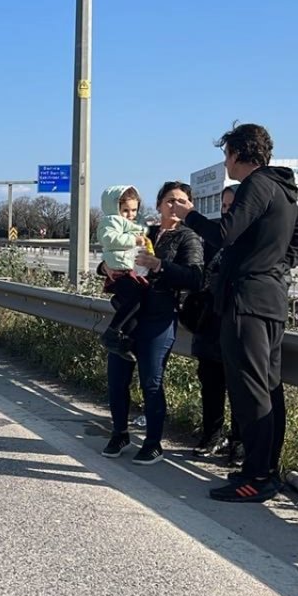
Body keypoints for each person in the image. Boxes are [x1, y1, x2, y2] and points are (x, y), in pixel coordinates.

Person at [175, 122, 298, 503]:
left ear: (238, 153)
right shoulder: (284, 191)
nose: (225, 163)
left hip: (246, 302)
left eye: (226, 155)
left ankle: (257, 477)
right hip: (271, 302)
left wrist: (189, 216)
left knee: (250, 391)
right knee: (268, 387)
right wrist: (275, 266)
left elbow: (224, 233)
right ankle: (265, 468)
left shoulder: (256, 184)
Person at [100, 182, 204, 465]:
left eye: (181, 201)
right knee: (116, 378)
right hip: (129, 316)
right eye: (169, 200)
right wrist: (103, 267)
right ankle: (119, 432)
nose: (174, 206)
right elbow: (113, 253)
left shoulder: (188, 238)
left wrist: (160, 266)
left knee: (151, 381)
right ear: (158, 204)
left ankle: (153, 442)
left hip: (159, 318)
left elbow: (195, 277)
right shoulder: (142, 230)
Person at [190, 185, 240, 461]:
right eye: (224, 206)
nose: (227, 211)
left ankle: (239, 440)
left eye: (232, 206)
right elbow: (199, 272)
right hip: (211, 320)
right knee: (210, 381)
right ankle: (212, 435)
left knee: (239, 386)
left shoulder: (251, 237)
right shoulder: (213, 236)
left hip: (239, 320)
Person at [97, 186, 152, 359]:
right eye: (125, 210)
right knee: (135, 300)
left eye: (134, 210)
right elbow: (109, 239)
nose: (130, 214)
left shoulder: (139, 223)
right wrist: (134, 239)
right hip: (120, 269)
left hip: (132, 268)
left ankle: (124, 341)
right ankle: (111, 333)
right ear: (116, 209)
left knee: (136, 302)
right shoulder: (110, 221)